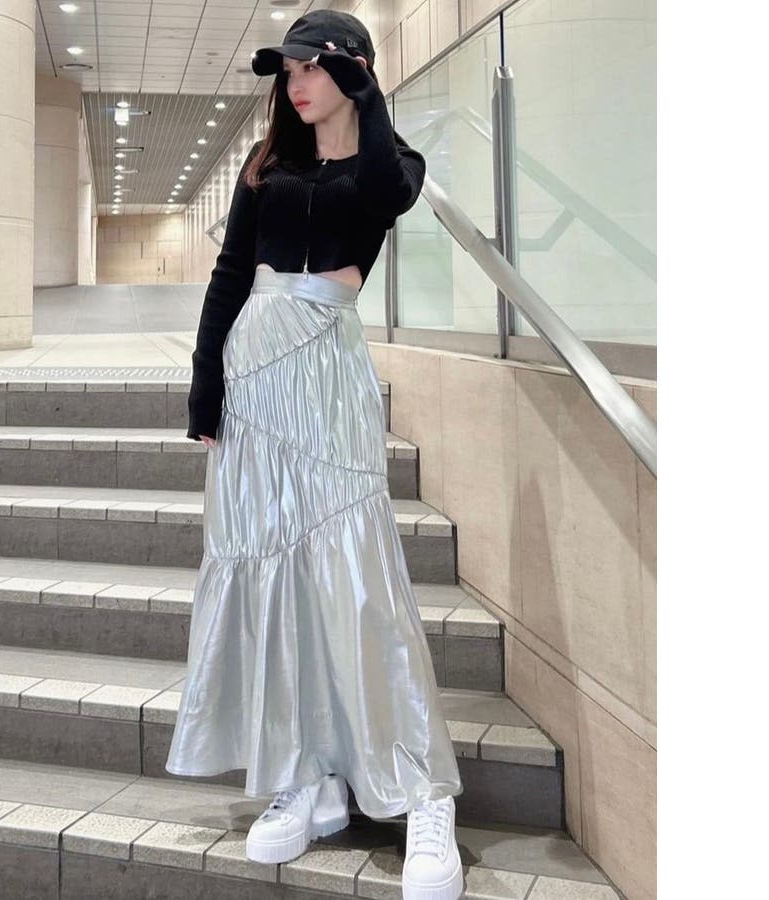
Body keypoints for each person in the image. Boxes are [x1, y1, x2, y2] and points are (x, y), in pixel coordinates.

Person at [164, 10, 465, 899]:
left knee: (355, 570)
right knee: (270, 570)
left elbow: (385, 195)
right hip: (252, 375)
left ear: (353, 72)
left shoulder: (389, 161)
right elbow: (228, 277)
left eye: (311, 67)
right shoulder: (265, 167)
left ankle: (421, 789)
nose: (294, 84)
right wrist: (205, 388)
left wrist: (366, 96)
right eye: (286, 72)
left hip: (327, 369)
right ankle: (305, 772)